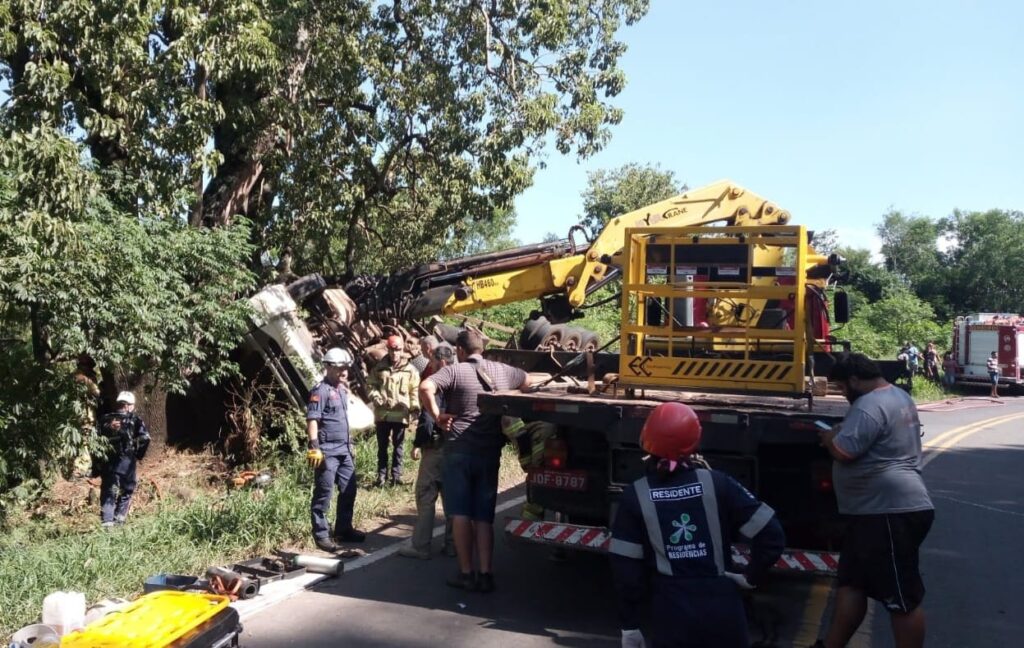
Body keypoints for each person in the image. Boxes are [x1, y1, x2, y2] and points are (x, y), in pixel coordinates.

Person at [609, 401, 785, 648]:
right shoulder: (719, 483)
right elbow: (771, 534)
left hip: (671, 613)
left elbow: (626, 572)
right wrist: (750, 576)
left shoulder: (635, 495)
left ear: (646, 439)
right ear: (694, 443)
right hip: (723, 611)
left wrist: (630, 626)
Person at [815, 353, 934, 648]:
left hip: (888, 513)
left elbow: (844, 451)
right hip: (871, 513)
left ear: (855, 380)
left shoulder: (868, 405)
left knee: (900, 597)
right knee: (852, 584)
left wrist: (829, 437)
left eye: (842, 388)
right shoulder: (898, 395)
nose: (843, 395)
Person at [419, 329, 531, 593]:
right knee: (483, 517)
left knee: (460, 514)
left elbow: (425, 387)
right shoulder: (503, 371)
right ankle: (486, 574)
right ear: (482, 348)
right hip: (489, 452)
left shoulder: (455, 371)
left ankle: (466, 573)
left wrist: (437, 415)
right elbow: (527, 381)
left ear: (459, 350)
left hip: (459, 450)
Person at [399, 343, 457, 560]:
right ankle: (452, 545)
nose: (430, 366)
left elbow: (427, 418)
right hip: (456, 447)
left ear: (441, 362)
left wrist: (418, 443)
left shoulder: (437, 383)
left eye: (432, 361)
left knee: (426, 493)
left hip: (436, 448)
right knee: (451, 496)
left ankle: (420, 546)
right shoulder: (460, 380)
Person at [307, 347, 366, 552]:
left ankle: (343, 529)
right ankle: (322, 535)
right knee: (324, 493)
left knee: (349, 489)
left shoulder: (341, 389)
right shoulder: (320, 391)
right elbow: (313, 420)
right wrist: (314, 447)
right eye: (340, 368)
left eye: (346, 368)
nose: (344, 372)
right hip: (327, 451)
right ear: (328, 367)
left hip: (344, 450)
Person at [367, 335, 421, 487]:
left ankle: (396, 476)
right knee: (382, 447)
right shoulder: (379, 368)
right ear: (388, 350)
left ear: (402, 349)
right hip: (382, 414)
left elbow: (414, 391)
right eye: (391, 350)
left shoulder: (410, 370)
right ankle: (381, 476)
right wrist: (376, 397)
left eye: (397, 350)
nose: (394, 353)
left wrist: (414, 408)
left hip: (400, 415)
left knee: (399, 447)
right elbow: (370, 385)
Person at [97, 391, 151, 527]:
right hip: (126, 463)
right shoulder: (135, 419)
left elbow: (95, 441)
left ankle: (107, 524)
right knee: (127, 490)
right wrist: (138, 454)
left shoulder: (104, 419)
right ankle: (119, 521)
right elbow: (145, 438)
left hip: (107, 463)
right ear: (129, 406)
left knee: (109, 492)